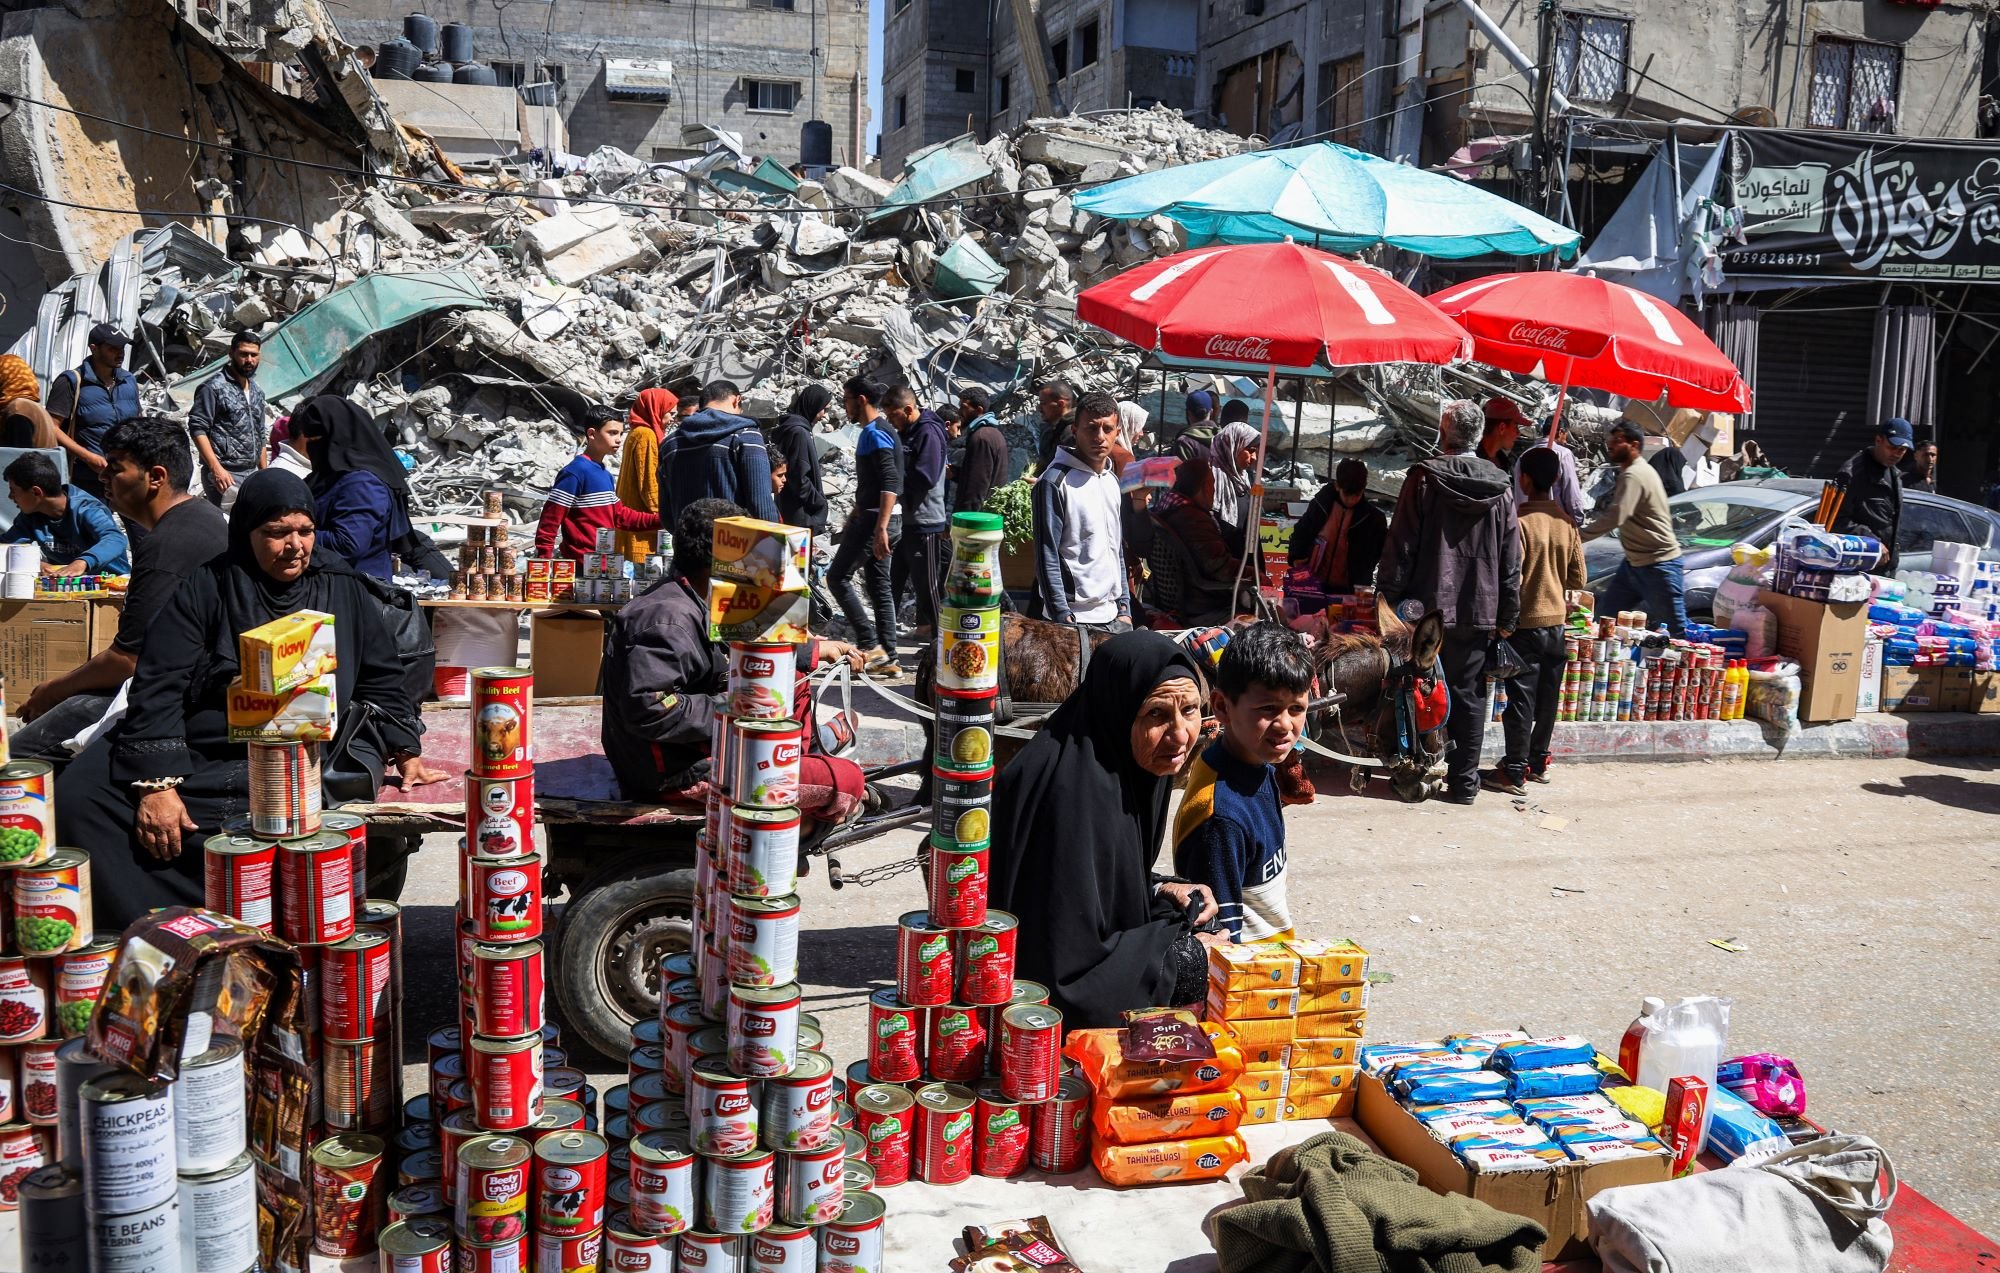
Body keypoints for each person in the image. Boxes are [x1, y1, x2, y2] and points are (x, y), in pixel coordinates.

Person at [55, 470, 439, 931]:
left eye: (304, 530)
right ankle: (154, 933)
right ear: (246, 532)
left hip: (302, 744)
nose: (294, 545)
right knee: (79, 796)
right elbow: (160, 682)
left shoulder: (340, 583)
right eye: (276, 533)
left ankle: (260, 927)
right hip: (205, 738)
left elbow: (382, 675)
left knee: (275, 810)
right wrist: (158, 785)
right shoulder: (209, 585)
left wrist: (405, 749)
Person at [988, 631, 1220, 1027]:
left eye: (1191, 710)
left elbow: (1097, 886)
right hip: (1035, 1011)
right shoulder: (1073, 794)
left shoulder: (1128, 764)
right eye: (1157, 714)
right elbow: (1063, 974)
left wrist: (1159, 887)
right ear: (1119, 710)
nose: (1181, 734)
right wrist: (1189, 958)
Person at [601, 497, 870, 815]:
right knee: (848, 778)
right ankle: (807, 786)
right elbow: (652, 708)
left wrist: (807, 648)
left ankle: (806, 751)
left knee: (792, 673)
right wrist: (741, 706)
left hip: (695, 748)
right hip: (677, 772)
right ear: (723, 558)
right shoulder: (667, 621)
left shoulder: (698, 595)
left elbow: (745, 639)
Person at [9, 418, 230, 762]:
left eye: (115, 469)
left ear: (156, 477)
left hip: (174, 697)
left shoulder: (166, 546)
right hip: (181, 682)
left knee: (16, 756)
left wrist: (50, 691)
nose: (103, 478)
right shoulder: (202, 515)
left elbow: (127, 660)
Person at [1376, 399, 1521, 806]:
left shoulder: (1423, 478)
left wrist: (1387, 596)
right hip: (1480, 607)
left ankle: (1417, 775)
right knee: (1470, 693)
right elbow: (1512, 558)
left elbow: (1400, 545)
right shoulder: (1501, 487)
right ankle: (1464, 784)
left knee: (1415, 688)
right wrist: (1508, 612)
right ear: (1478, 436)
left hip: (1425, 610)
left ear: (1444, 433)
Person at [1172, 623, 1311, 942]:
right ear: (1221, 707)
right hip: (1248, 978)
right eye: (1268, 709)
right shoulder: (1222, 819)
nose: (1285, 725)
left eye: (1296, 709)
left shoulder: (1256, 764)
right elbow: (1217, 938)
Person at [1488, 446, 1584, 795]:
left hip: (1525, 625)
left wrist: (1504, 622)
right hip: (1557, 625)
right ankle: (1539, 761)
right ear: (1558, 478)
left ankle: (1514, 770)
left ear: (1524, 479)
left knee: (1519, 701)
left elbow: (1510, 579)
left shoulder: (1519, 521)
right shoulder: (1566, 522)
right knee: (1547, 700)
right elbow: (1578, 578)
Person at [292, 395, 449, 580]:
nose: (311, 448)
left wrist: (290, 534)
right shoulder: (329, 477)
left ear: (336, 436)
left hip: (356, 594)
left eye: (316, 439)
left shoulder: (362, 484)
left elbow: (347, 544)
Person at [1032, 392, 1130, 631]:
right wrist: (1061, 614)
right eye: (1091, 428)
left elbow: (1115, 548)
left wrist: (1124, 608)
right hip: (1073, 621)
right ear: (1075, 431)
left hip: (1113, 617)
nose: (1100, 437)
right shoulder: (1054, 481)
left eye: (1107, 429)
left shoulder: (1111, 481)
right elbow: (1047, 554)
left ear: (1117, 433)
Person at [827, 378, 903, 678]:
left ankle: (871, 646)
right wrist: (856, 510)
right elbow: (873, 483)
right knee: (879, 586)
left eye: (846, 399)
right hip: (881, 517)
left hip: (878, 521)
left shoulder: (875, 433)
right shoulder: (880, 431)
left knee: (837, 577)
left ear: (860, 399)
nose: (844, 406)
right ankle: (888, 658)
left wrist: (880, 527)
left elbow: (889, 482)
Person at [1583, 420, 1687, 638]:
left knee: (1677, 631)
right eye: (1611, 439)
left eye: (1618, 440)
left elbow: (1616, 516)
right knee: (1605, 619)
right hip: (1634, 564)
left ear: (1634, 445)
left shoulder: (1635, 475)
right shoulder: (1631, 472)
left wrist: (1577, 536)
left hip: (1659, 564)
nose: (1611, 444)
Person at [536, 412, 663, 561]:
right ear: (591, 434)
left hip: (605, 565)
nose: (618, 440)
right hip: (581, 566)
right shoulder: (575, 473)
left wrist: (663, 520)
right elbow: (550, 521)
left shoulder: (605, 474)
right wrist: (544, 560)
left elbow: (620, 516)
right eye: (612, 433)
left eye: (621, 434)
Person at [658, 379, 778, 524]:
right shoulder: (746, 436)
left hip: (687, 542)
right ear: (736, 400)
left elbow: (666, 512)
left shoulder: (669, 444)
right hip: (735, 542)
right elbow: (761, 507)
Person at [883, 386, 949, 640]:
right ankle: (883, 638)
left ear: (908, 410)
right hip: (907, 519)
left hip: (926, 521)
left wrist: (893, 478)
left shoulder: (928, 433)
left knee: (929, 587)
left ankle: (941, 644)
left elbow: (926, 476)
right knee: (894, 580)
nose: (891, 422)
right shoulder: (910, 432)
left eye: (893, 416)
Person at [43, 322, 138, 497]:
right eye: (113, 348)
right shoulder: (71, 382)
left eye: (122, 348)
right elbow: (51, 427)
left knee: (143, 524)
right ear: (94, 348)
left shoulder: (128, 380)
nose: (120, 353)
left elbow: (136, 424)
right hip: (89, 478)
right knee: (96, 523)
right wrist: (88, 457)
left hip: (127, 473)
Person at [1146, 456, 1240, 626]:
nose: (1214, 491)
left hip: (1178, 598)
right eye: (1212, 485)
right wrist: (1253, 574)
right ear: (1203, 487)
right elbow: (1219, 567)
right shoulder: (1192, 519)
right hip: (1202, 603)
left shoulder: (1166, 507)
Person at [1, 452, 130, 575]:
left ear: (36, 492)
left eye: (13, 490)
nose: (10, 496)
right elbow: (6, 548)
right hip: (67, 588)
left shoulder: (86, 509)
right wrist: (37, 564)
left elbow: (115, 538)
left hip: (111, 586)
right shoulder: (30, 515)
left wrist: (82, 562)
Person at [187, 330, 269, 510]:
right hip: (226, 474)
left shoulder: (256, 391)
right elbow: (198, 428)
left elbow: (260, 434)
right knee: (228, 530)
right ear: (231, 354)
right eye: (243, 354)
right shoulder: (213, 387)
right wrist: (216, 469)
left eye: (254, 355)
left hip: (252, 472)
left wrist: (264, 473)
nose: (249, 360)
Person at [1289, 458, 1387, 591]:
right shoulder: (1321, 505)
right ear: (1337, 486)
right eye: (1347, 494)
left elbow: (1377, 555)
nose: (1351, 500)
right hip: (1313, 584)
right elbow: (1301, 532)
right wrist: (1297, 557)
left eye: (1356, 495)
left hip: (1349, 591)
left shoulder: (1373, 519)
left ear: (1364, 488)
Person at [1829, 418, 1911, 569]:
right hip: (1856, 567)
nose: (1897, 454)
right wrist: (1873, 543)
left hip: (1884, 568)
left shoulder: (1894, 473)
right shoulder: (1852, 473)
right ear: (1878, 440)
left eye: (1902, 450)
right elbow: (1835, 521)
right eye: (1892, 447)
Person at [616, 387, 678, 559]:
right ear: (656, 409)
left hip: (631, 518)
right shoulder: (646, 435)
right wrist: (665, 515)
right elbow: (649, 483)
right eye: (669, 413)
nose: (672, 419)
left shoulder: (636, 432)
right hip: (642, 525)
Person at [770, 385, 831, 536]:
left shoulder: (792, 428)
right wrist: (819, 502)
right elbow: (798, 476)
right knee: (798, 557)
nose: (824, 415)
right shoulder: (799, 433)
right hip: (802, 514)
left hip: (790, 507)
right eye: (823, 409)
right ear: (813, 406)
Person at [1514, 414, 1586, 525]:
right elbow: (1571, 492)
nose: (1566, 441)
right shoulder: (1563, 454)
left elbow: (1518, 494)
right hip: (1555, 523)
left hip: (1526, 523)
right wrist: (1577, 520)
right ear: (1561, 432)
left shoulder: (1523, 456)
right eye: (1566, 435)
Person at [1206, 416, 1261, 557]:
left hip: (1239, 562)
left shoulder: (1243, 479)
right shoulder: (1210, 480)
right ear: (1233, 446)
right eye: (1250, 450)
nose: (1254, 457)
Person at [952, 387, 1008, 514]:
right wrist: (956, 474)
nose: (960, 412)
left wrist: (965, 520)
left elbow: (977, 486)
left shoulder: (981, 437)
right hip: (986, 516)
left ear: (978, 410)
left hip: (977, 520)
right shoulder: (992, 433)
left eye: (964, 407)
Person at [1031, 379, 1076, 468]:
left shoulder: (1073, 433)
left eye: (1043, 403)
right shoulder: (1048, 429)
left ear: (1060, 404)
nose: (1039, 409)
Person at [1478, 397, 1524, 473]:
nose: (1518, 434)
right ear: (1502, 428)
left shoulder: (1506, 462)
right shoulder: (1470, 459)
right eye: (1515, 427)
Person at [1175, 390, 1219, 461]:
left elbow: (1180, 471)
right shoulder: (1225, 437)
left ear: (1188, 413)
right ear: (1211, 412)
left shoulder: (1184, 443)